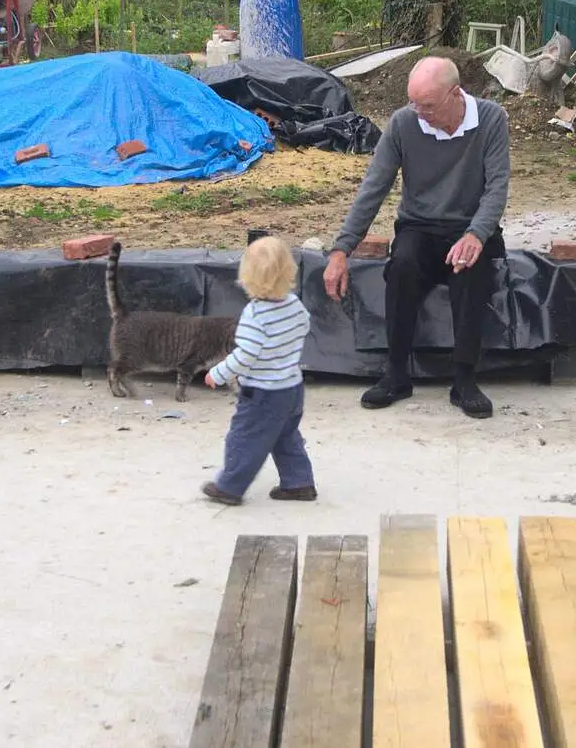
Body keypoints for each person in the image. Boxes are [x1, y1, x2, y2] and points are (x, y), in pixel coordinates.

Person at [324, 56, 510, 419]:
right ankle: (396, 373)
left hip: (469, 226)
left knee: (471, 273)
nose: (419, 112)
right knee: (402, 265)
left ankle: (464, 379)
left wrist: (476, 233)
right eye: (413, 103)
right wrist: (341, 248)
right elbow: (373, 189)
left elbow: (497, 186)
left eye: (427, 105)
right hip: (420, 226)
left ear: (455, 94)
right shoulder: (404, 124)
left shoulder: (490, 119)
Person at [201, 236, 316, 505]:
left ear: (246, 278)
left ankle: (229, 487)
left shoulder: (255, 314)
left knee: (244, 437)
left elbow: (245, 355)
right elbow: (305, 326)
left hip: (263, 393)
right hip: (292, 388)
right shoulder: (294, 304)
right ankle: (299, 483)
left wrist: (217, 373)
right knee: (286, 437)